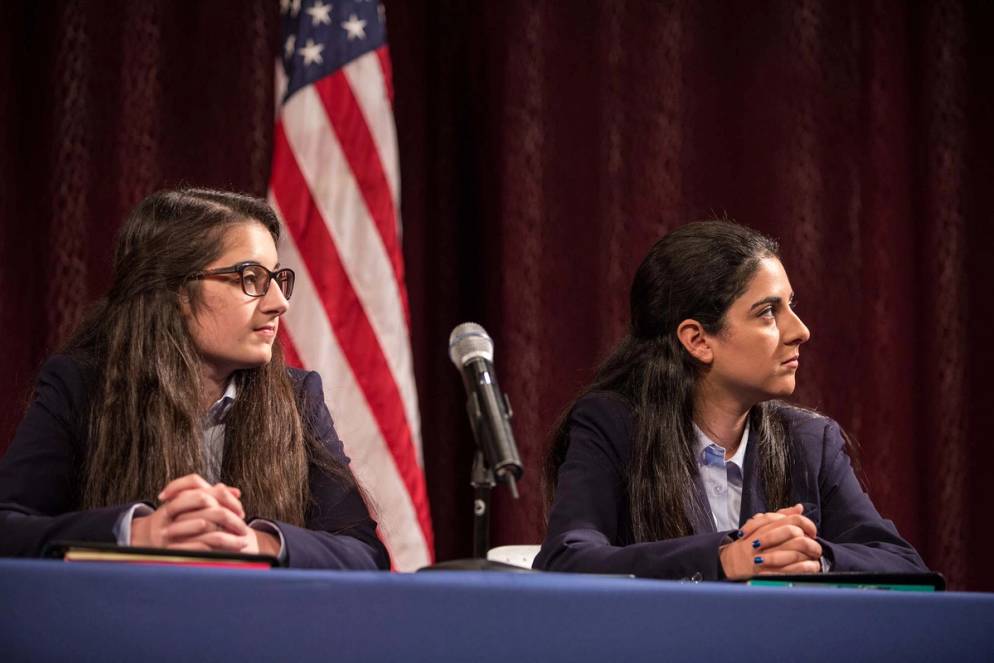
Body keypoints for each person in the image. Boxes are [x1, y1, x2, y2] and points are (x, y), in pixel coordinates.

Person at [0, 188, 389, 569]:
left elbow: (364, 553)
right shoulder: (81, 386)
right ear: (175, 293)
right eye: (250, 277)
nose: (279, 302)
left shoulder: (298, 396)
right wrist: (137, 533)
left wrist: (257, 542)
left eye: (275, 278)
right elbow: (8, 527)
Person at [534, 220, 927, 580]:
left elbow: (903, 565)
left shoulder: (810, 441)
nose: (801, 331)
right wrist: (723, 558)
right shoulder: (613, 425)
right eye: (768, 312)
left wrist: (811, 557)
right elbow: (567, 558)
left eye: (792, 305)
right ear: (698, 340)